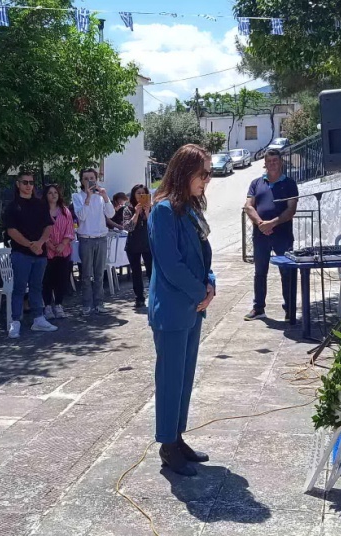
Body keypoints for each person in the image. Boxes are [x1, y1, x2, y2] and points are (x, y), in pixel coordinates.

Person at [148, 144, 216, 476]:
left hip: (192, 306)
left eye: (209, 173)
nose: (207, 180)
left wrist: (210, 282)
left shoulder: (189, 208)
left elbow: (203, 253)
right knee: (170, 380)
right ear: (185, 171)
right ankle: (167, 444)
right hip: (173, 309)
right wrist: (200, 291)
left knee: (185, 379)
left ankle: (177, 437)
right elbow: (171, 265)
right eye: (203, 173)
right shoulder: (162, 211)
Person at [244, 149, 298, 320]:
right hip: (261, 235)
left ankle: (290, 309)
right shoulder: (256, 183)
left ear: (281, 162)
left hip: (283, 235)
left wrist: (272, 223)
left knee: (287, 272)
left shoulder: (289, 184)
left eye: (275, 160)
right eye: (269, 161)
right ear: (265, 164)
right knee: (260, 272)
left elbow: (291, 210)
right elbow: (248, 206)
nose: (272, 164)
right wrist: (261, 224)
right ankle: (258, 308)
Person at [4, 172, 58, 338]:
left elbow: (48, 226)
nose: (28, 186)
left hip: (40, 253)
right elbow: (11, 231)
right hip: (21, 253)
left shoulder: (40, 204)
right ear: (18, 184)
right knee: (19, 288)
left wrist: (40, 243)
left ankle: (38, 319)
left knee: (36, 287)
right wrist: (30, 245)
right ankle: (15, 322)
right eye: (25, 182)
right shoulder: (12, 207)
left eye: (31, 183)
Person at [71, 168, 115, 315]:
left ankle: (99, 302)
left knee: (99, 274)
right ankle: (86, 303)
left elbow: (111, 214)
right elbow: (81, 217)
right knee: (85, 274)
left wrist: (105, 196)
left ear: (96, 180)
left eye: (92, 178)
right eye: (86, 178)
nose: (89, 181)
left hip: (101, 238)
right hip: (86, 238)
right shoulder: (77, 196)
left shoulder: (101, 197)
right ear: (81, 181)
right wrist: (88, 198)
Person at [42, 184, 75, 320]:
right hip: (46, 251)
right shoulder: (42, 211)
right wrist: (49, 243)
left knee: (61, 279)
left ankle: (59, 305)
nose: (53, 195)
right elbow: (39, 229)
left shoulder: (65, 211)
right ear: (46, 195)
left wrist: (63, 243)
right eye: (50, 193)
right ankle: (47, 306)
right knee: (47, 280)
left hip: (63, 251)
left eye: (55, 192)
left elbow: (70, 229)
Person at [122, 184, 153, 308]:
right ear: (133, 195)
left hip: (148, 243)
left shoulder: (151, 208)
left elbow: (154, 226)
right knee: (136, 272)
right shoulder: (128, 209)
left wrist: (147, 212)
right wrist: (136, 213)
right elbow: (128, 227)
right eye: (138, 193)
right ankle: (139, 297)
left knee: (151, 271)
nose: (141, 195)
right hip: (133, 244)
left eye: (143, 193)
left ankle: (154, 295)